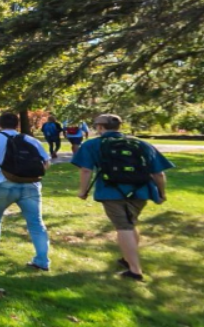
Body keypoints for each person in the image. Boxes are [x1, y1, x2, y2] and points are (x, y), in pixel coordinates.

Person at [71, 114, 174, 282]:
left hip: (111, 191)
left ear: (101, 127)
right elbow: (158, 173)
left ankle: (135, 270)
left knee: (123, 227)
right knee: (130, 223)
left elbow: (86, 170)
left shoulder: (92, 145)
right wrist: (161, 193)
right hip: (141, 190)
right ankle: (127, 258)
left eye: (96, 125)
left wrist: (83, 191)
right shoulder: (141, 144)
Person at [0, 112, 52, 271]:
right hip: (31, 186)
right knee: (36, 223)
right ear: (17, 124)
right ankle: (42, 261)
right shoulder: (31, 140)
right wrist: (29, 175)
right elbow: (46, 162)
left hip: (3, 184)